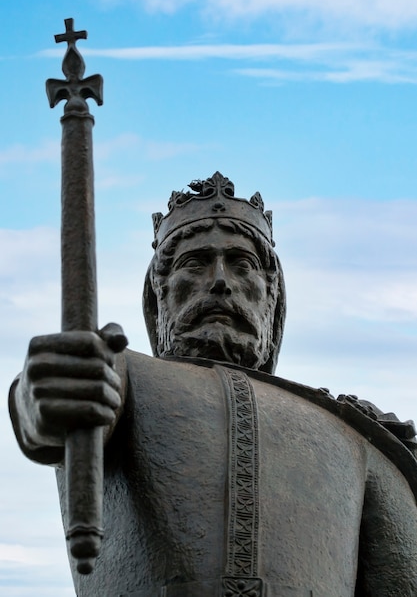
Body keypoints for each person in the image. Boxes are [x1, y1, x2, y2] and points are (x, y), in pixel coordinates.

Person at [9, 172, 417, 596]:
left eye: (242, 265)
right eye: (195, 263)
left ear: (271, 296)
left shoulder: (352, 437)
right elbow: (65, 403)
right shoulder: (126, 376)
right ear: (159, 295)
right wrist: (39, 395)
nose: (220, 281)